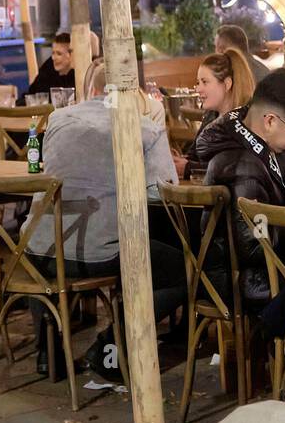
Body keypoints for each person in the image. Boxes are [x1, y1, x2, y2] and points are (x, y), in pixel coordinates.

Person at [21, 59, 184, 382]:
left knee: (45, 246)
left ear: (91, 90)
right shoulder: (144, 128)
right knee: (185, 272)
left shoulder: (56, 119)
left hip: (33, 252)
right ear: (131, 92)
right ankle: (111, 343)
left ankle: (47, 352)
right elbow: (163, 194)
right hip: (97, 254)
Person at [187, 69, 285, 308]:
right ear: (269, 121)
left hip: (260, 270)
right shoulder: (241, 165)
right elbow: (255, 245)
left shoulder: (265, 150)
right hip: (243, 280)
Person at [180, 49, 256, 177]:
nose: (198, 89)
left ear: (227, 84)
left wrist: (188, 168)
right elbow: (194, 155)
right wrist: (180, 160)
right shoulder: (211, 115)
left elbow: (234, 168)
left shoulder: (244, 121)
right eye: (198, 83)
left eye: (205, 82)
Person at [25, 33, 77, 103]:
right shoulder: (47, 69)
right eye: (53, 53)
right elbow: (31, 95)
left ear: (71, 55)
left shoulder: (79, 75)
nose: (53, 58)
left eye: (59, 54)